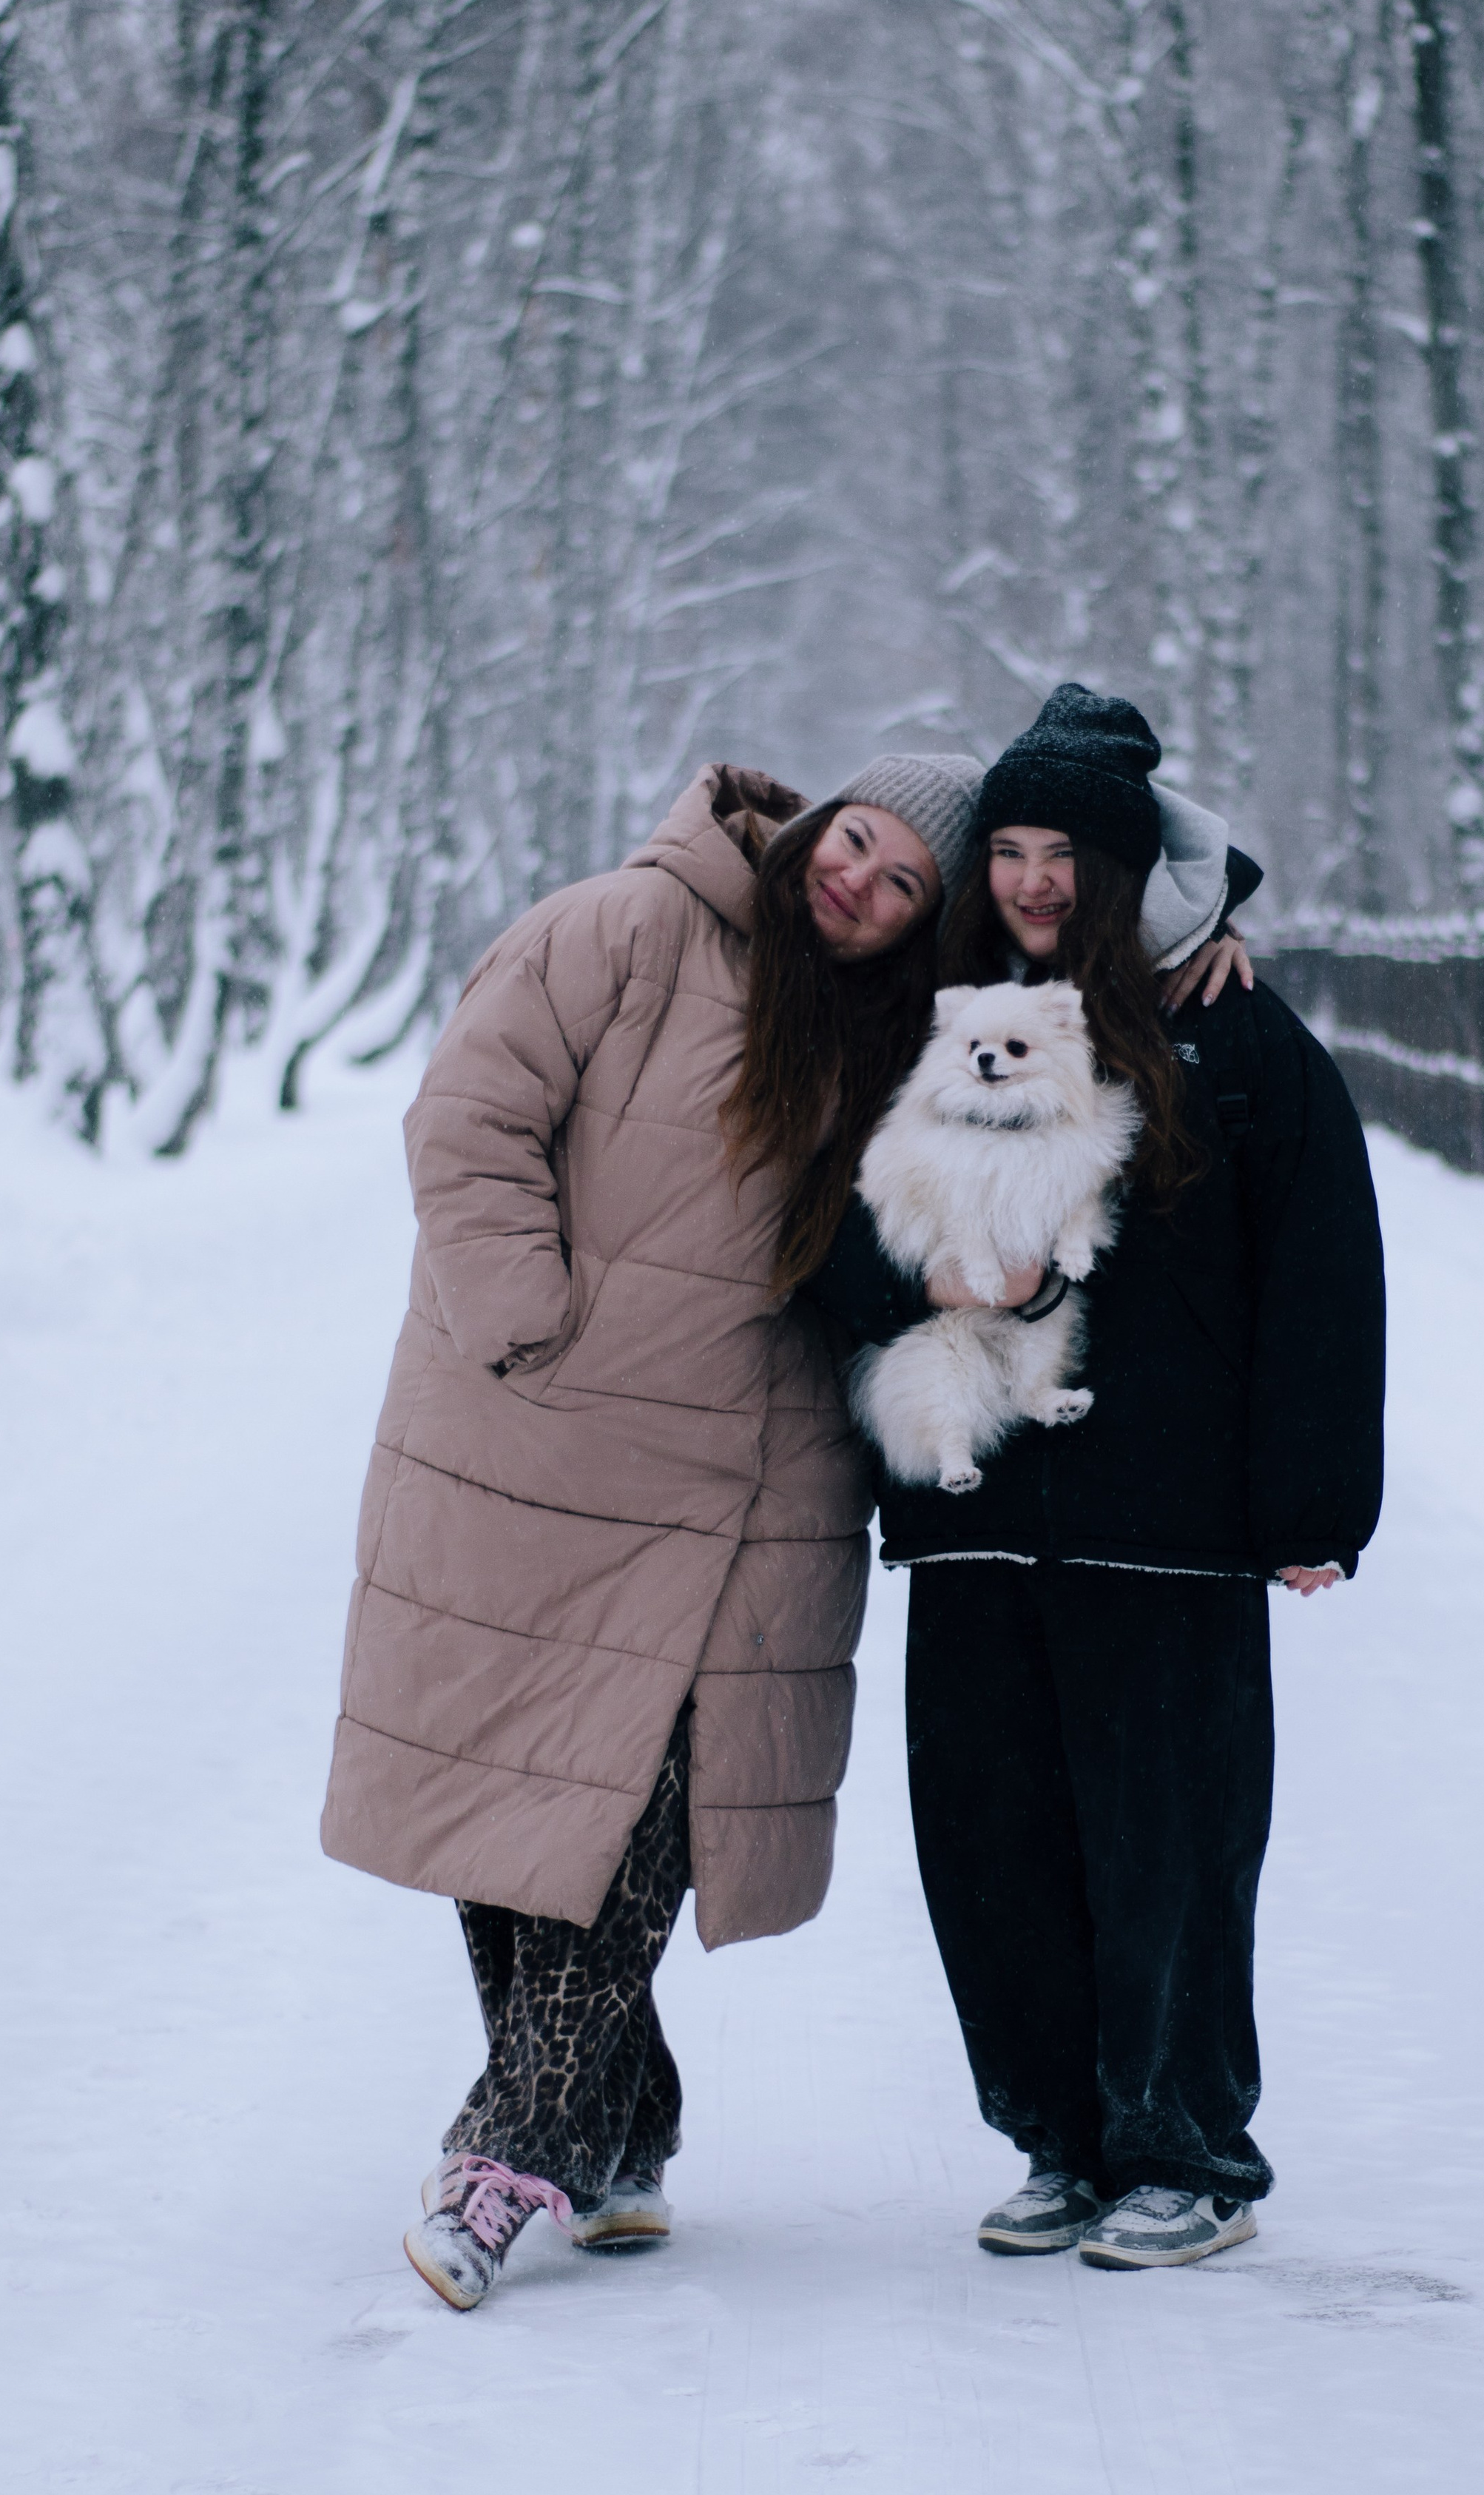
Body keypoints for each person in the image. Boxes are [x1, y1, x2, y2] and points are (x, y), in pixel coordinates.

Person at [320, 750, 985, 2309]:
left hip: (754, 1487)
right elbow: (469, 1118)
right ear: (828, 812)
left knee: (633, 1813)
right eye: (863, 846)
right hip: (542, 1441)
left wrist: (1208, 908)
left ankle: (513, 2152)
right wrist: (526, 1327)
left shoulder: (905, 1034)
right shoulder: (621, 928)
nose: (862, 892)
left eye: (902, 893)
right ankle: (623, 2127)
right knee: (520, 1793)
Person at [809, 684, 1386, 2271]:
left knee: (1171, 1857)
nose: (1031, 880)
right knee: (991, 1851)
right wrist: (915, 1308)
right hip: (978, 1523)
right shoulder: (936, 1032)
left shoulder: (1235, 1038)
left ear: (1122, 865)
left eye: (1062, 851)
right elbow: (842, 1247)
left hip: (1169, 1536)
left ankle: (1183, 2148)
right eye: (1004, 849)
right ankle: (1056, 2139)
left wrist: (1308, 1505)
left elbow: (1320, 1276)